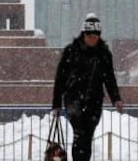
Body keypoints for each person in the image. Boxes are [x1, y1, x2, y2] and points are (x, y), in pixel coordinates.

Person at [51, 13, 123, 161]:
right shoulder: (71, 52)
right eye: (89, 35)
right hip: (73, 99)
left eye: (95, 35)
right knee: (80, 132)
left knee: (86, 134)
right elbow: (60, 79)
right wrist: (56, 103)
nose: (92, 38)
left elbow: (109, 78)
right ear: (84, 34)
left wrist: (116, 98)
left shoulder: (103, 54)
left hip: (94, 101)